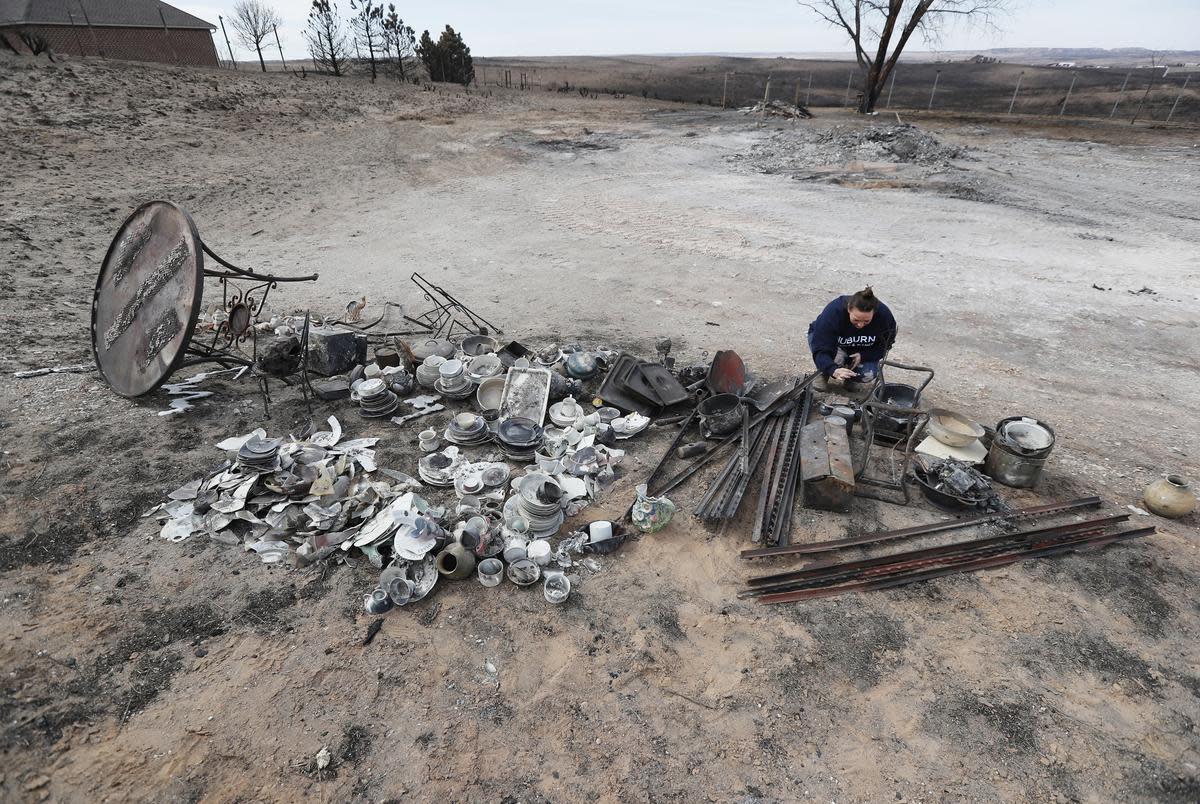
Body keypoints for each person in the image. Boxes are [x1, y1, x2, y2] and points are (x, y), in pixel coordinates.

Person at [807, 286, 897, 388]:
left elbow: (885, 345)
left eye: (866, 321)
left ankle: (851, 378)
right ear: (849, 309)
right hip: (833, 345)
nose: (860, 325)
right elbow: (821, 347)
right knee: (836, 359)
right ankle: (823, 372)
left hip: (860, 349)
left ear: (874, 312)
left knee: (868, 373)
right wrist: (832, 369)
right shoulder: (834, 312)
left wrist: (864, 355)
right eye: (856, 320)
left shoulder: (884, 317)